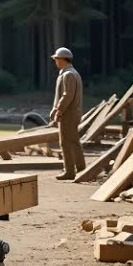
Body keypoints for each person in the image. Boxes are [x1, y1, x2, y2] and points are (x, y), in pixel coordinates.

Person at [49, 47, 85, 180]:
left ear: (63, 59)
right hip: (72, 112)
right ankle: (81, 169)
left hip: (68, 113)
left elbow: (67, 95)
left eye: (56, 59)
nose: (55, 62)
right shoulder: (71, 73)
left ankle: (70, 171)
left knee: (65, 142)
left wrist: (59, 110)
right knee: (73, 141)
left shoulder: (68, 74)